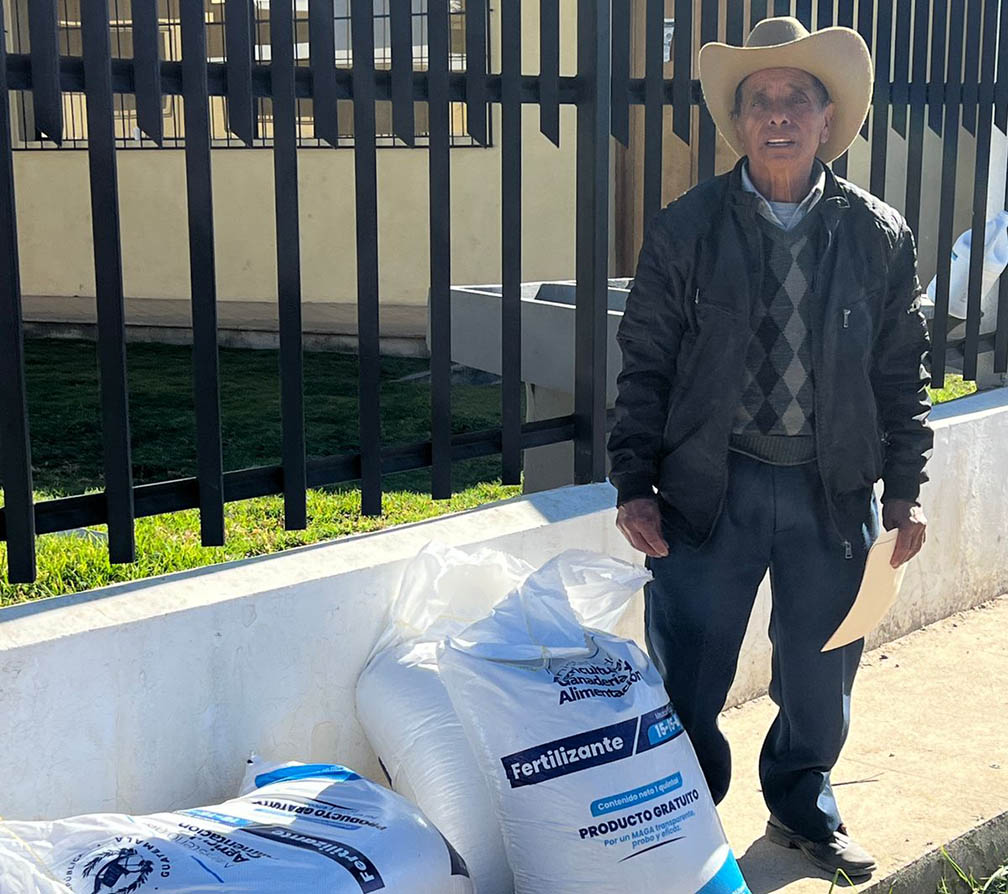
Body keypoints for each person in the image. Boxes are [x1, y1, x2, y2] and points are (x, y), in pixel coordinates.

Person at [607, 17, 933, 880]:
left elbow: (901, 371)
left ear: (828, 119)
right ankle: (686, 824)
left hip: (833, 492)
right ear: (739, 122)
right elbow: (645, 361)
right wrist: (633, 483)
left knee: (821, 677)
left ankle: (801, 809)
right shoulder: (685, 228)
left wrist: (906, 489)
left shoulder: (878, 234)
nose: (778, 114)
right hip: (709, 491)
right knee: (689, 674)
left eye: (797, 99)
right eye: (760, 101)